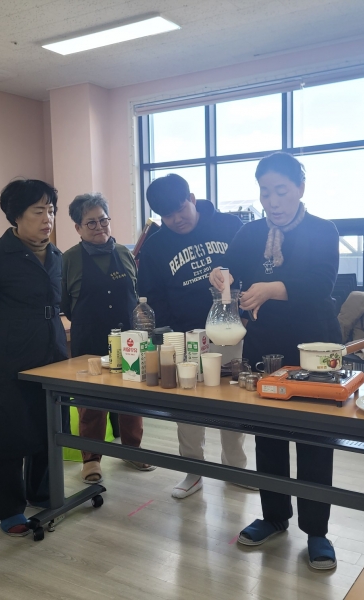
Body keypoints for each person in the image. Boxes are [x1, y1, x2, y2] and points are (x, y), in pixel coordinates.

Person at [210, 152, 341, 570]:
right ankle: (273, 516)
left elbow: (320, 284)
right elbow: (231, 269)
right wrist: (221, 275)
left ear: (300, 188)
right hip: (266, 345)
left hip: (315, 347)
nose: (273, 201)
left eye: (281, 191)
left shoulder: (323, 230)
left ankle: (317, 531)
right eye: (265, 193)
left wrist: (271, 288)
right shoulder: (249, 233)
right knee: (268, 433)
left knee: (314, 438)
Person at [0, 179, 67, 537]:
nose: (47, 219)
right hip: (7, 361)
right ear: (16, 216)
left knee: (47, 425)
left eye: (50, 210)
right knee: (10, 432)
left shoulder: (56, 256)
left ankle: (41, 491)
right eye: (38, 211)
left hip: (51, 354)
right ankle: (9, 508)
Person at [138, 173, 251, 499]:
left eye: (180, 209)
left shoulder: (228, 226)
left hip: (231, 332)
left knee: (233, 402)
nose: (176, 219)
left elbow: (251, 267)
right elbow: (153, 297)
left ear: (192, 198)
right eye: (167, 215)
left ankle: (235, 468)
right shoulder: (156, 246)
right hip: (184, 336)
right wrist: (171, 337)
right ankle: (193, 471)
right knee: (186, 407)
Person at [61, 193, 156, 485]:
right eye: (90, 223)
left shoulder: (125, 254)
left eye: (103, 220)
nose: (99, 227)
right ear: (78, 227)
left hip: (129, 339)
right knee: (91, 402)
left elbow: (135, 294)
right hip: (89, 338)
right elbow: (65, 303)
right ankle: (91, 459)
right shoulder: (69, 259)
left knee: (131, 399)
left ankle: (132, 449)